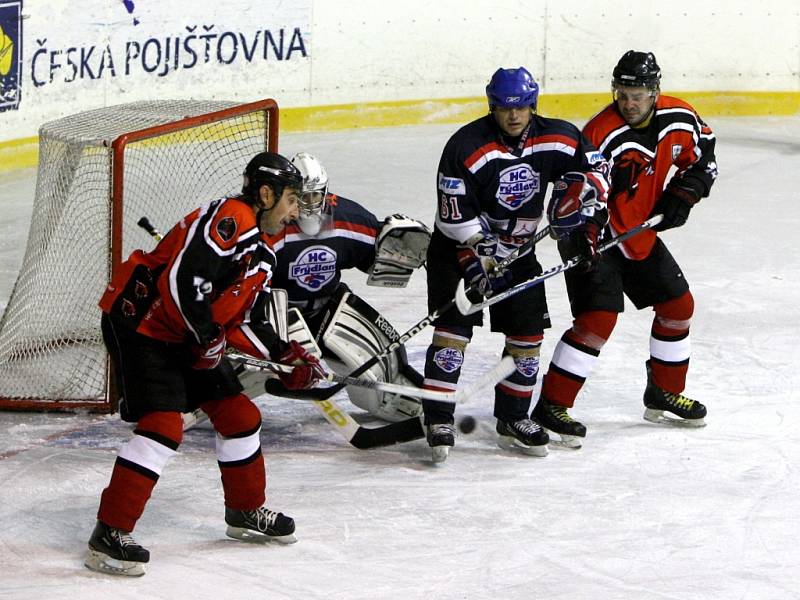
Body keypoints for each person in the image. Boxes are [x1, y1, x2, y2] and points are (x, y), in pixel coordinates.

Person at [85, 152, 327, 577]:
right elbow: (179, 283)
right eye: (291, 200)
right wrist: (208, 337)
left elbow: (242, 320)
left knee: (240, 416)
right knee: (163, 426)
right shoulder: (232, 220)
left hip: (183, 332)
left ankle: (244, 512)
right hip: (139, 323)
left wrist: (285, 355)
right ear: (266, 194)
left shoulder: (263, 254)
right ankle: (110, 532)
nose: (293, 213)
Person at [421, 66, 610, 462]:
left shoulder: (558, 137)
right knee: (452, 339)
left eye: (521, 107)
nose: (513, 116)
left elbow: (594, 173)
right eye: (505, 108)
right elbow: (455, 217)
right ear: (492, 106)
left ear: (532, 104)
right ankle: (438, 417)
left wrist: (578, 203)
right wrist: (480, 252)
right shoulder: (466, 146)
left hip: (518, 252)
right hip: (458, 249)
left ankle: (512, 418)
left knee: (526, 339)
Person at [532, 50, 718, 448]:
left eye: (638, 93)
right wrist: (585, 233)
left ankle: (663, 391)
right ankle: (551, 405)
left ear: (655, 92)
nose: (629, 102)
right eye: (622, 93)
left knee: (678, 307)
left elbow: (704, 156)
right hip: (590, 235)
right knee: (598, 320)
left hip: (637, 233)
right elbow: (584, 191)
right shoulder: (600, 133)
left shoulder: (680, 118)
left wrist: (685, 193)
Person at [237, 152, 432, 422]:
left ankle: (414, 408)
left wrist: (413, 248)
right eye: (299, 197)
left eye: (315, 196)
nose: (306, 205)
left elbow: (379, 254)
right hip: (275, 314)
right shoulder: (271, 223)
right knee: (247, 372)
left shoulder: (345, 218)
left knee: (383, 364)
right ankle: (204, 399)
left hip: (328, 309)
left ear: (326, 193)